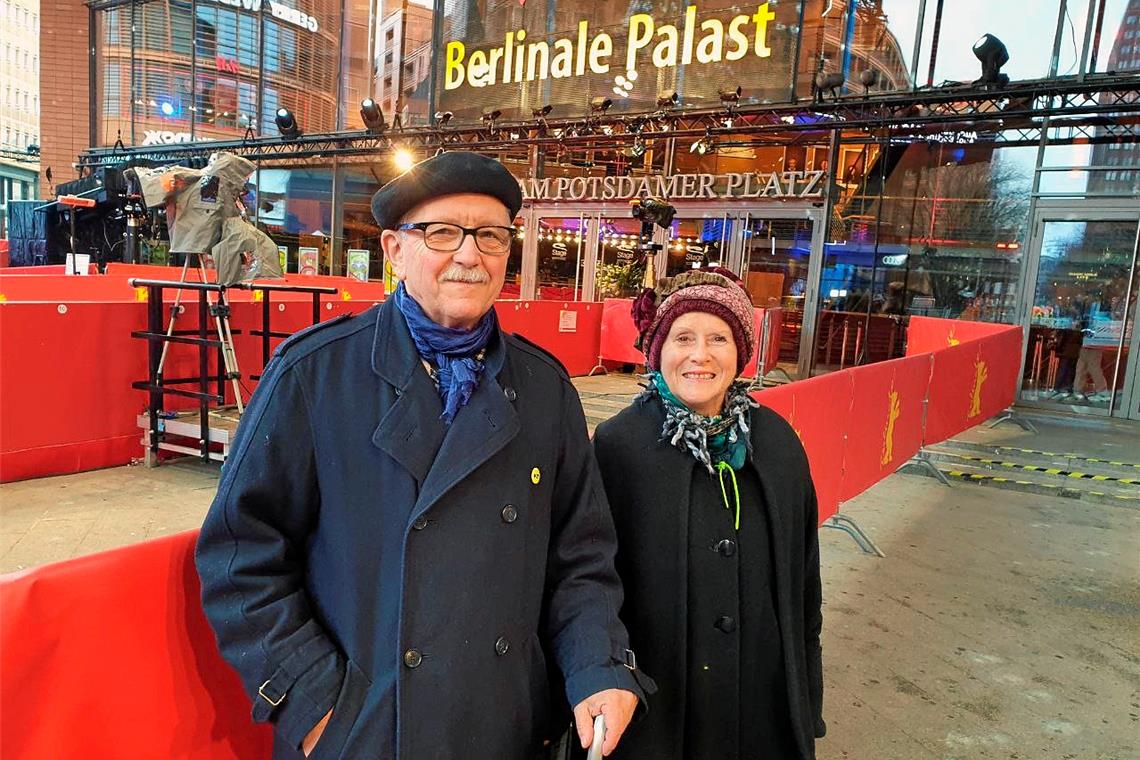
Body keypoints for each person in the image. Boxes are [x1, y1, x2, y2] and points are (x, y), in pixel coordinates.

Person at [195, 151, 651, 760]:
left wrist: (596, 665)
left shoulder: (545, 389)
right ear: (394, 249)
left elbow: (582, 559)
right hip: (367, 730)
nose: (468, 255)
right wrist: (314, 702)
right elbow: (240, 554)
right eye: (441, 233)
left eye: (490, 235)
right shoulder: (315, 375)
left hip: (503, 728)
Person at [594, 267, 825, 759]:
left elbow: (805, 586)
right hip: (659, 712)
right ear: (658, 351)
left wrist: (807, 700)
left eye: (718, 337)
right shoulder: (617, 447)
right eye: (683, 337)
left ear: (740, 352)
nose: (700, 355)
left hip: (762, 708)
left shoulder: (778, 443)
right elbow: (588, 584)